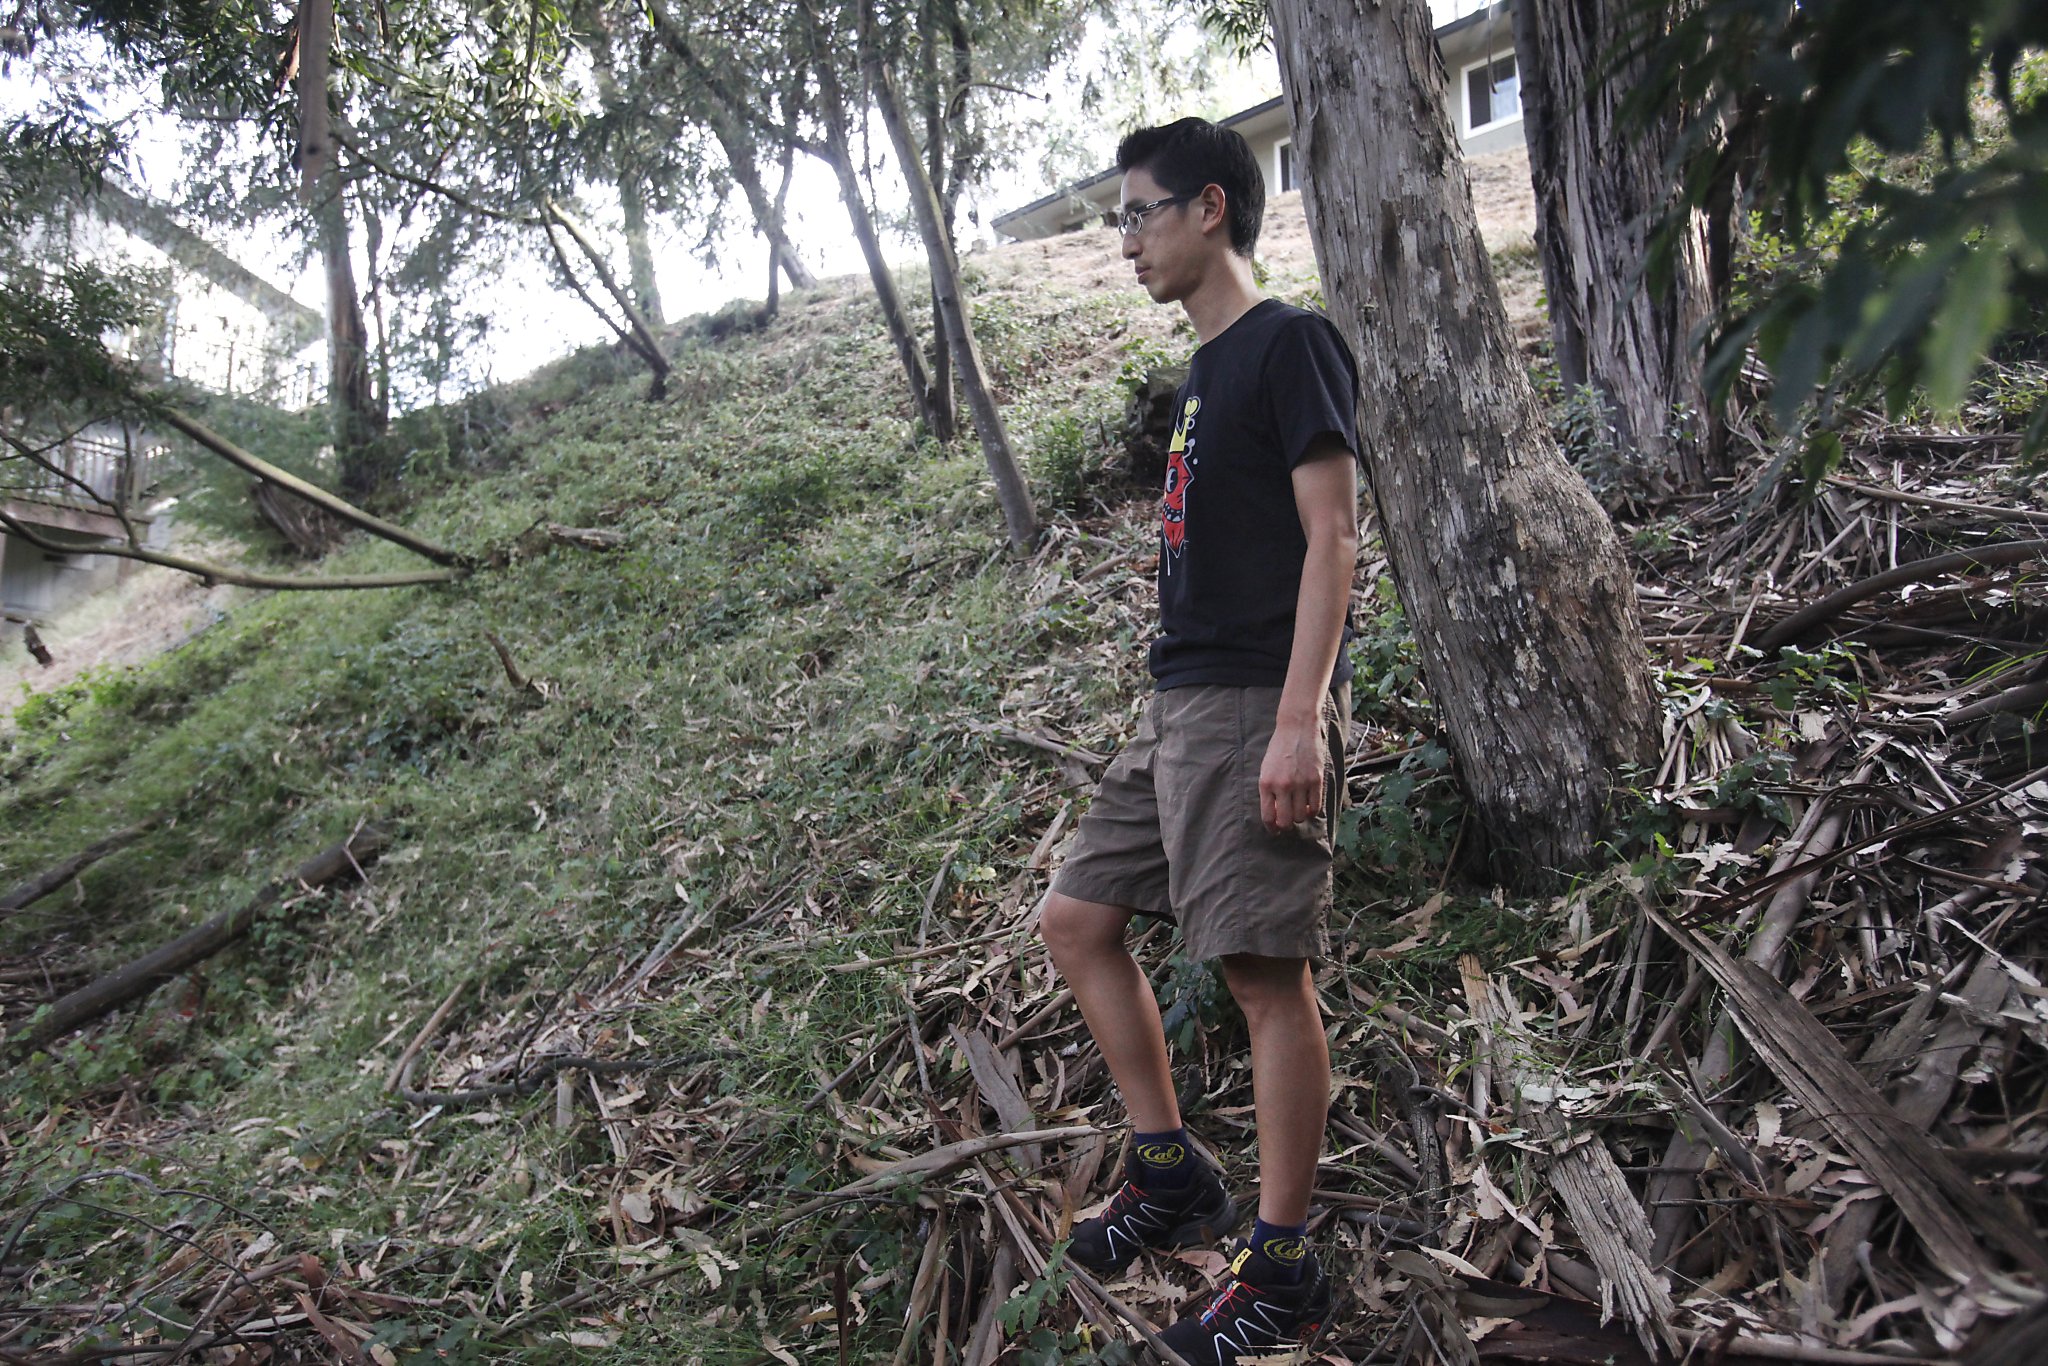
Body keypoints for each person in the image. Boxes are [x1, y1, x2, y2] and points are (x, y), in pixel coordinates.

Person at [1038, 117, 1361, 1364]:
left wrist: (1296, 721)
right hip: (1177, 702)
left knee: (1262, 976)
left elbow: (1332, 538)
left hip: (1248, 701)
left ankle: (1281, 1269)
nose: (1125, 239)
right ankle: (1170, 1171)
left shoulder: (1289, 345)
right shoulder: (1197, 375)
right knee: (1077, 918)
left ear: (1209, 208)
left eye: (1137, 212)